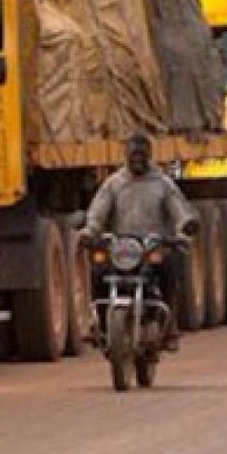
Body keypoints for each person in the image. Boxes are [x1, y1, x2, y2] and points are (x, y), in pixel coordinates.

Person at [82, 132, 199, 350]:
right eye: (133, 155)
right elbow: (97, 212)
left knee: (171, 268)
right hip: (122, 249)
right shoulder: (114, 184)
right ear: (126, 156)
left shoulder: (163, 184)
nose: (137, 160)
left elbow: (179, 210)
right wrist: (90, 232)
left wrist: (185, 226)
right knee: (97, 270)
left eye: (141, 155)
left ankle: (170, 325)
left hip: (153, 247)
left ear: (149, 156)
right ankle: (99, 324)